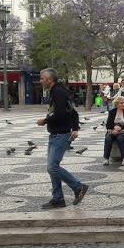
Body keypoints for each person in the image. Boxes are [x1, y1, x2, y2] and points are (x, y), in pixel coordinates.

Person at [36, 68, 88, 209]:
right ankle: (58, 198)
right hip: (56, 135)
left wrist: (45, 120)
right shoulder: (58, 91)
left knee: (52, 167)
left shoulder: (58, 92)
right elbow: (73, 112)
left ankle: (78, 187)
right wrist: (75, 128)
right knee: (53, 167)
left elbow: (59, 114)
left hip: (60, 135)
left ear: (49, 79)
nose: (40, 81)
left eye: (42, 78)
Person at [102, 96, 124, 166]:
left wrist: (120, 128)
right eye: (121, 103)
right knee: (108, 138)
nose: (123, 104)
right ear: (117, 104)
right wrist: (113, 130)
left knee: (120, 138)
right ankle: (106, 158)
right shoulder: (112, 112)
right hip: (113, 130)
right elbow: (108, 124)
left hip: (123, 130)